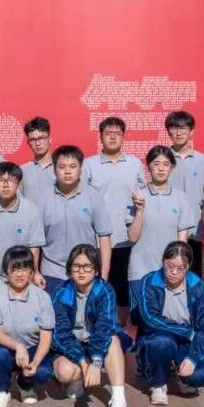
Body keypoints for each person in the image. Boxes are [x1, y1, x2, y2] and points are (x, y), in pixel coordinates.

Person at [132, 241, 204, 404]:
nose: (173, 272)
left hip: (187, 340)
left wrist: (193, 358)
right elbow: (150, 318)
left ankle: (183, 373)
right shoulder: (150, 282)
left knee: (199, 377)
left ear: (188, 267)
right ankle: (158, 383)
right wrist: (187, 332)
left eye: (180, 268)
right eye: (169, 266)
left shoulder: (198, 287)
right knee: (162, 343)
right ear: (163, 262)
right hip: (159, 335)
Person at [50, 243, 130, 407]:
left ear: (95, 270)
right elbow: (60, 334)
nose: (81, 271)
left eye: (87, 266)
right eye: (76, 266)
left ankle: (119, 401)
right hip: (74, 344)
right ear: (69, 269)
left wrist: (96, 361)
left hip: (98, 341)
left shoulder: (105, 290)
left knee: (112, 339)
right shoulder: (61, 292)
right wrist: (82, 360)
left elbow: (104, 328)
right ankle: (79, 379)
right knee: (63, 372)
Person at [83, 117, 146, 321]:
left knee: (122, 292)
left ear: (123, 137)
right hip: (96, 240)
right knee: (97, 288)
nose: (112, 137)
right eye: (108, 133)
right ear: (100, 136)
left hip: (125, 238)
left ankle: (122, 331)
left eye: (117, 133)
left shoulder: (134, 163)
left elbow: (143, 194)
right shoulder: (89, 164)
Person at [0, 246, 55, 407]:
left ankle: (25, 385)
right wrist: (18, 347)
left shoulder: (43, 297)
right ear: (6, 271)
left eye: (25, 269)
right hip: (4, 346)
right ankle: (1, 391)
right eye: (14, 269)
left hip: (32, 346)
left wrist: (35, 362)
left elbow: (46, 337)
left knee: (43, 371)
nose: (19, 274)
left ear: (32, 271)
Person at [126, 146, 198, 313]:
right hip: (140, 271)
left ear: (172, 167)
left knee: (168, 318)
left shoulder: (181, 198)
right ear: (148, 167)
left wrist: (177, 269)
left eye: (166, 164)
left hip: (170, 272)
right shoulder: (138, 196)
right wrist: (139, 210)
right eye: (156, 164)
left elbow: (182, 242)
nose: (160, 169)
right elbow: (132, 237)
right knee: (141, 319)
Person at [38, 145, 112, 295]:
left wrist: (103, 275)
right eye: (62, 167)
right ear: (54, 170)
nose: (67, 171)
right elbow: (34, 242)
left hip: (85, 272)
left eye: (73, 166)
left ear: (80, 169)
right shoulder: (42, 199)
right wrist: (34, 272)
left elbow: (104, 237)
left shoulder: (93, 196)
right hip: (52, 273)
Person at [0, 162, 46, 291]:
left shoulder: (31, 210)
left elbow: (34, 248)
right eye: (0, 180)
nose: (6, 185)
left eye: (11, 180)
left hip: (21, 275)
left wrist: (32, 275)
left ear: (19, 184)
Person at [164, 110, 204, 271]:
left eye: (183, 128)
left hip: (194, 229)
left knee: (192, 276)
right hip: (167, 227)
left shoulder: (202, 160)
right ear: (168, 131)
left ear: (191, 131)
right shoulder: (163, 158)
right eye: (174, 128)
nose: (178, 133)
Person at [19, 117, 55, 207]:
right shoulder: (22, 171)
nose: (37, 143)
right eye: (33, 140)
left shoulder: (63, 168)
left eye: (41, 138)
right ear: (28, 143)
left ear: (50, 139)